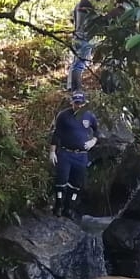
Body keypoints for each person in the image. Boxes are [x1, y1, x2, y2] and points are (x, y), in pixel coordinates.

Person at [49, 90, 99, 218]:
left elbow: (97, 132)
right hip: (66, 153)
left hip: (81, 156)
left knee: (76, 184)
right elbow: (56, 134)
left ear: (84, 103)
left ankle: (69, 207)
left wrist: (93, 141)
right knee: (61, 181)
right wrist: (52, 152)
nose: (78, 106)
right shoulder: (63, 116)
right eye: (76, 103)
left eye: (81, 103)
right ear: (72, 102)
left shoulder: (89, 116)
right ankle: (58, 205)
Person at [68, 0, 99, 93]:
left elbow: (73, 20)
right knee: (79, 65)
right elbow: (94, 22)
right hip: (84, 39)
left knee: (76, 63)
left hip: (77, 37)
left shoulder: (78, 5)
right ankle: (76, 89)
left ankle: (71, 87)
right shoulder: (87, 5)